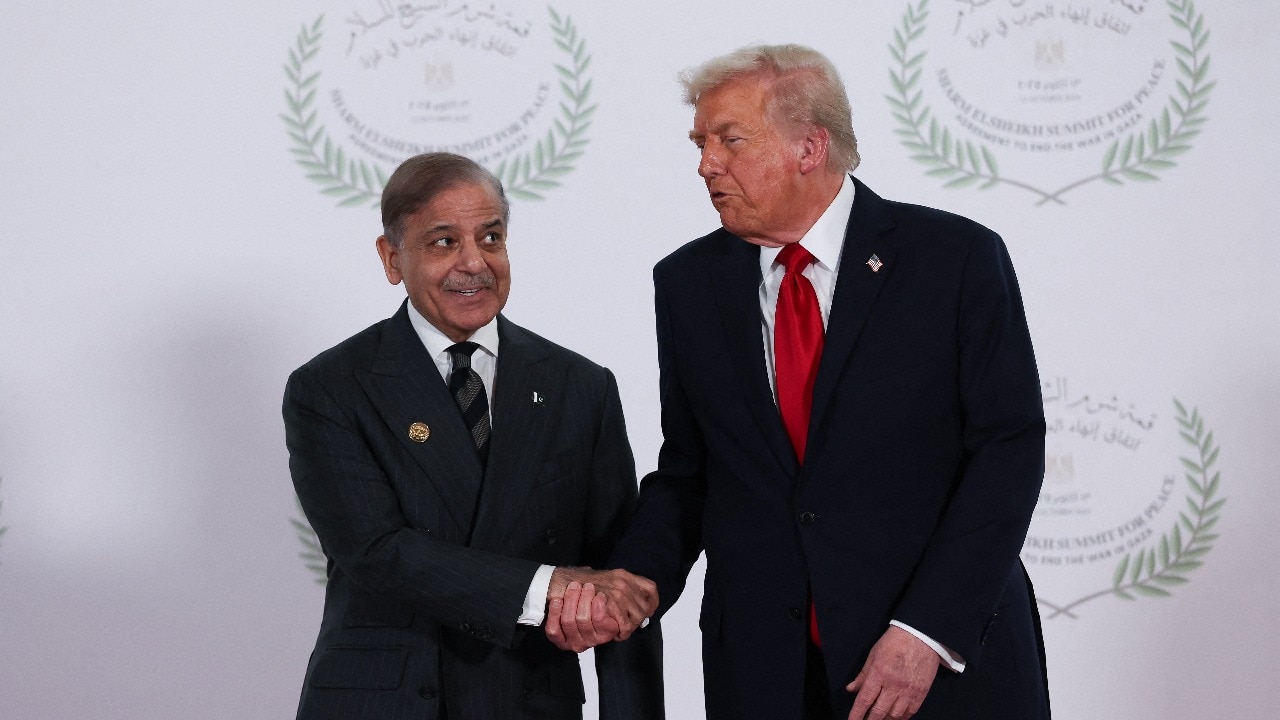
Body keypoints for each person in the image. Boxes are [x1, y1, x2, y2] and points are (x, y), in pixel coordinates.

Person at [548, 44, 1050, 720]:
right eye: (700, 143)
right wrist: (634, 580)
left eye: (730, 140)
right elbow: (693, 474)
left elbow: (1007, 454)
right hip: (767, 674)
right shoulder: (688, 282)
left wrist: (926, 631)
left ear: (810, 147)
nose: (706, 164)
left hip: (933, 666)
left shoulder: (954, 259)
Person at [283, 152, 663, 720]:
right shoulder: (332, 387)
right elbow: (375, 551)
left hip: (529, 700)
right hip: (387, 702)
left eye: (491, 238)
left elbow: (619, 581)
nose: (474, 263)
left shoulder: (580, 386)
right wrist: (546, 587)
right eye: (443, 242)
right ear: (392, 258)